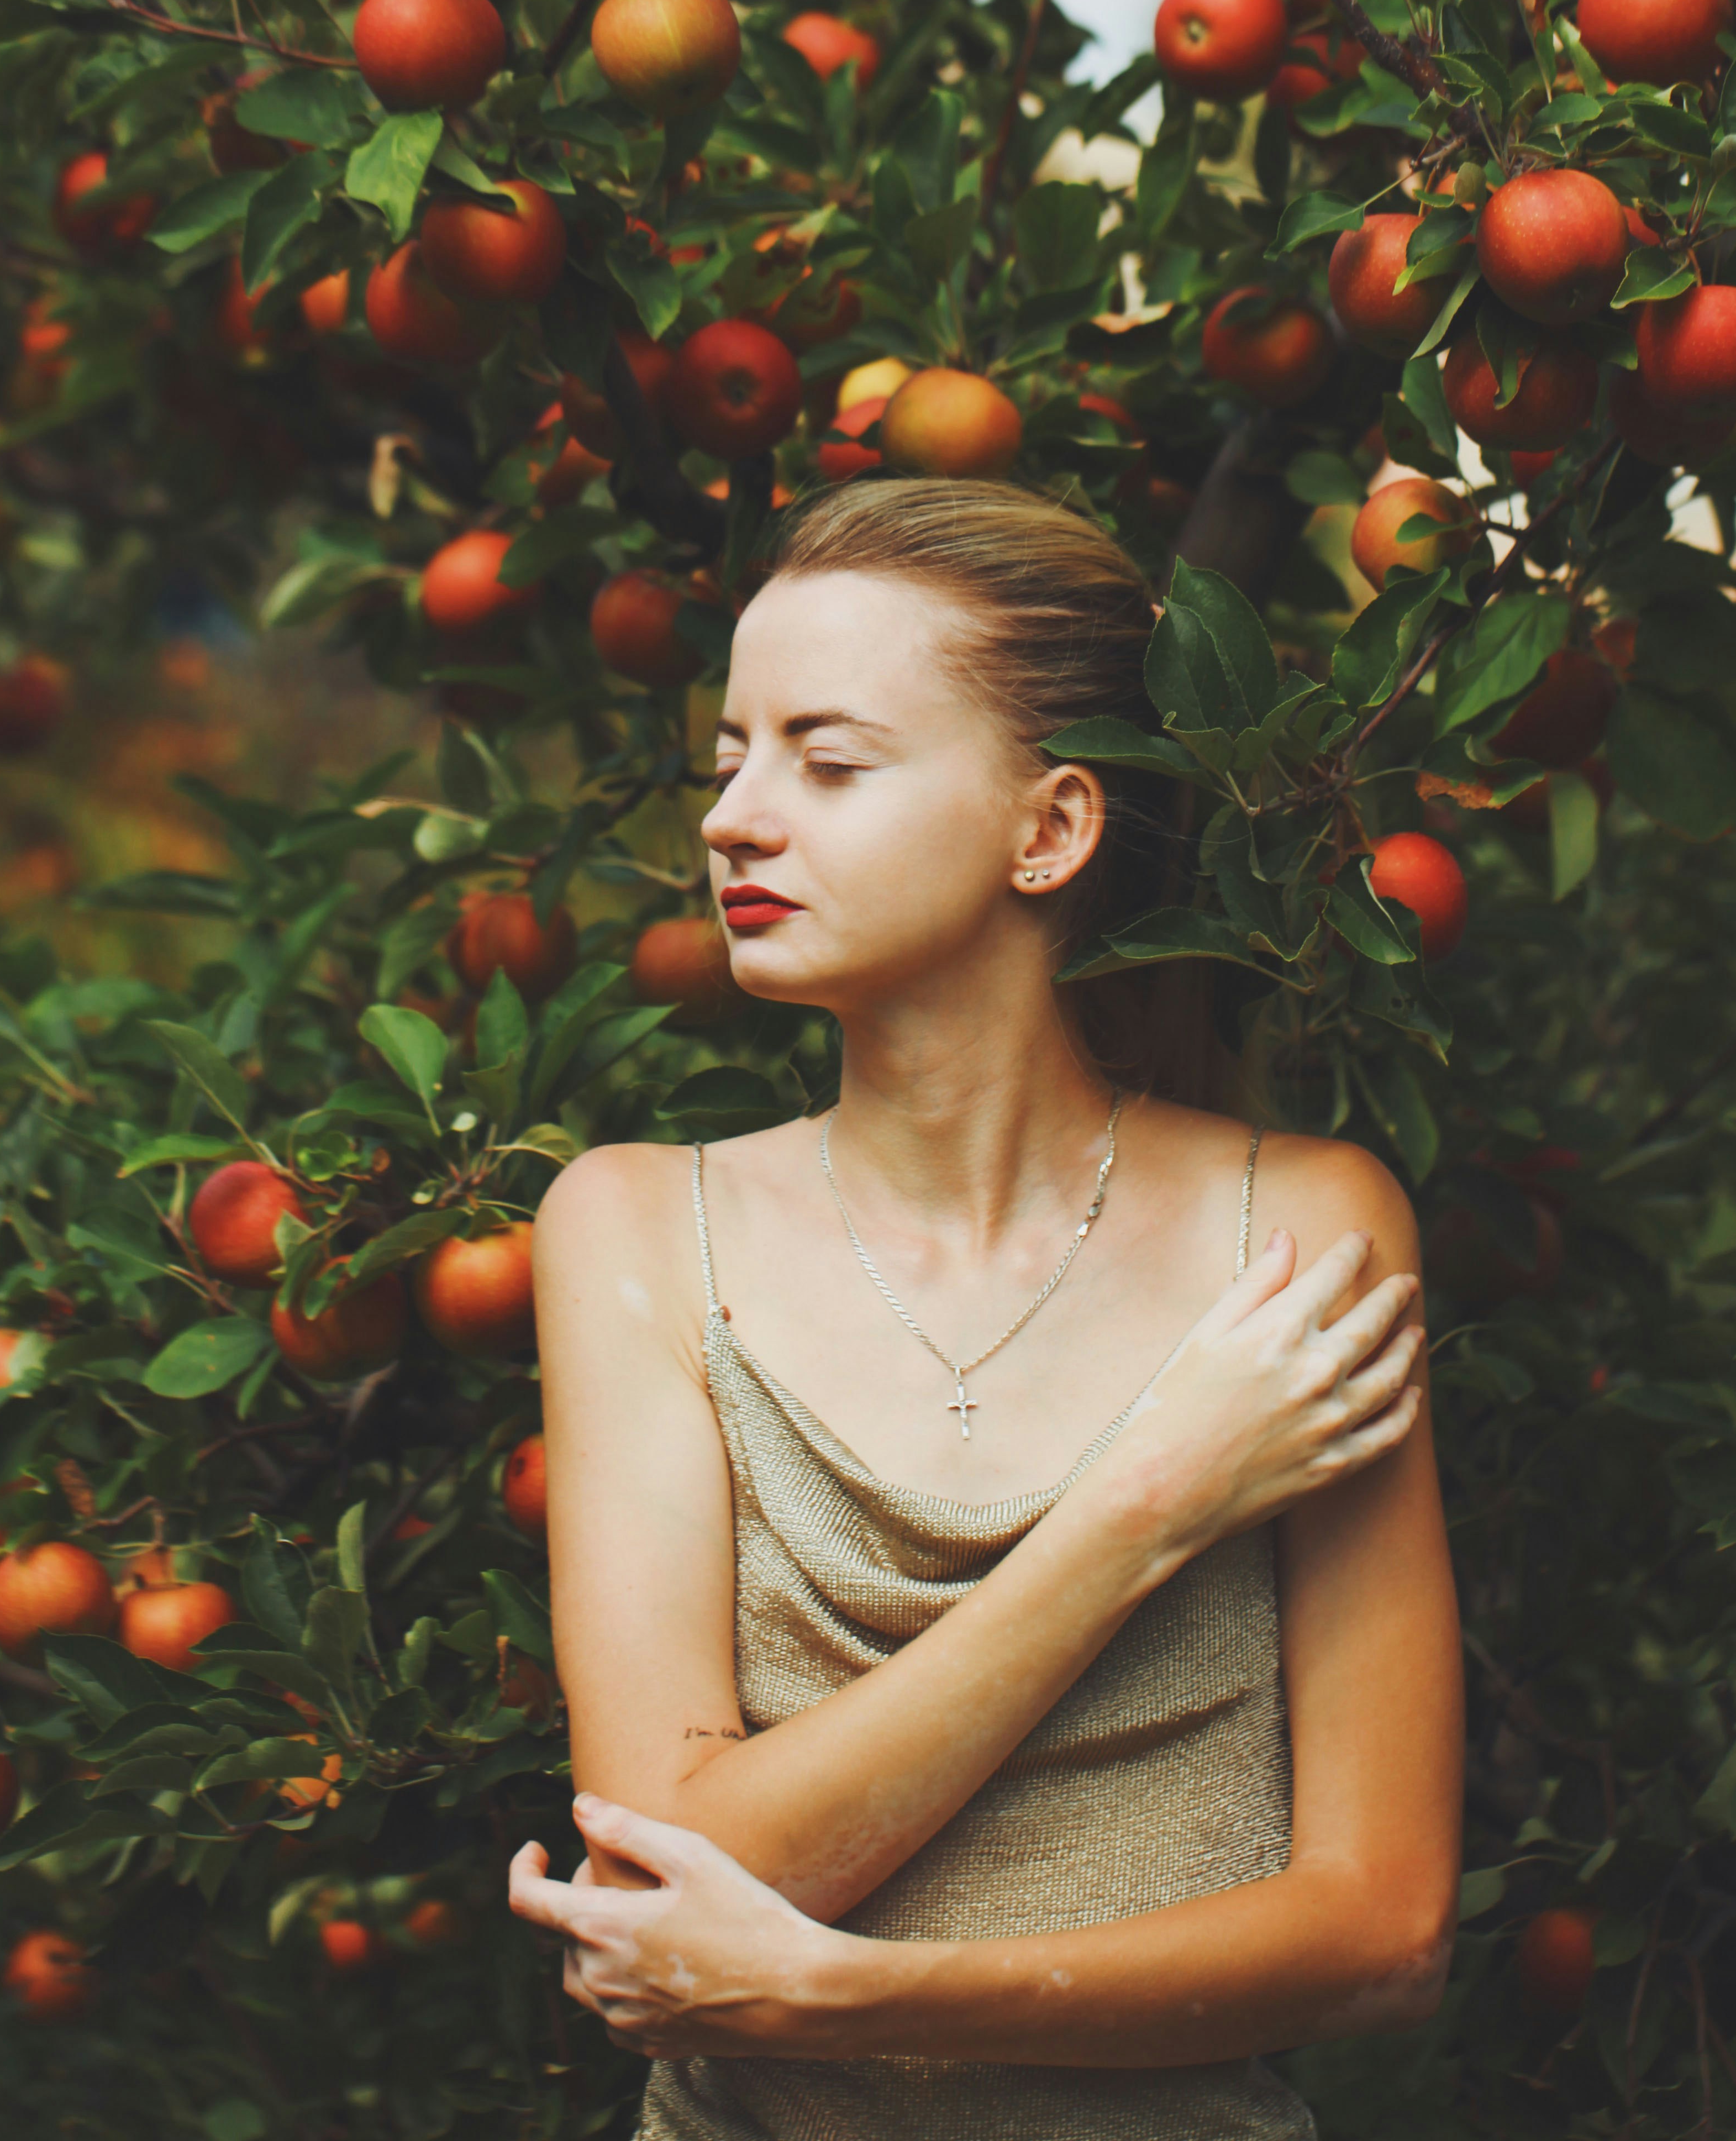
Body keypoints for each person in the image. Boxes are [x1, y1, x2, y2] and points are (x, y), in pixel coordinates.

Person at [508, 480, 1463, 2137]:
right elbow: (674, 1851)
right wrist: (1144, 1510)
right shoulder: (636, 1230)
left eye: (827, 758)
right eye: (727, 755)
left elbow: (1382, 1935)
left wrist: (843, 1995)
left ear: (1054, 829)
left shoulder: (1301, 1235)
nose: (736, 815)